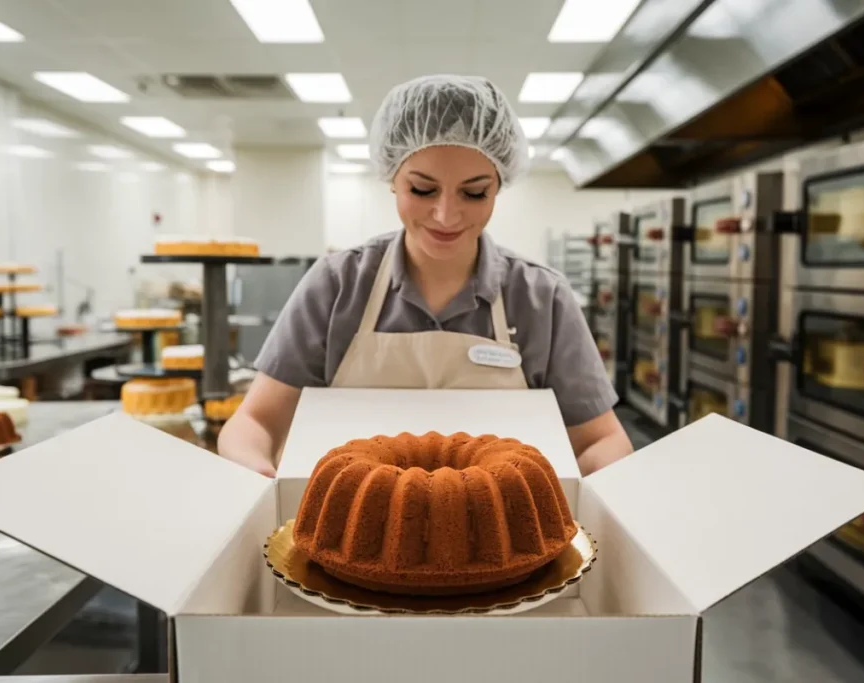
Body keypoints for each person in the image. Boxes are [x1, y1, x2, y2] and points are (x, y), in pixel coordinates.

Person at [217, 74, 635, 477]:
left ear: (498, 186)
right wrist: (254, 468)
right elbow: (256, 421)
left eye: (474, 193)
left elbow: (600, 440)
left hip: (500, 534)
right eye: (422, 189)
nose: (446, 215)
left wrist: (591, 491)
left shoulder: (542, 297)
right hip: (347, 528)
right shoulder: (338, 284)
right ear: (392, 180)